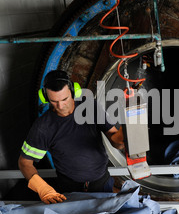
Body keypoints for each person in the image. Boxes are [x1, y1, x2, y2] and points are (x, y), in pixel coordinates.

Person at [18, 70, 124, 204]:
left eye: (64, 99)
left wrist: (124, 137)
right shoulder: (43, 127)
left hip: (102, 184)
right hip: (70, 190)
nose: (60, 106)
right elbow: (24, 163)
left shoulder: (89, 107)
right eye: (54, 101)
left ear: (74, 92)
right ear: (45, 97)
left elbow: (114, 139)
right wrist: (42, 188)